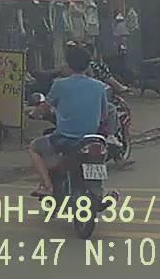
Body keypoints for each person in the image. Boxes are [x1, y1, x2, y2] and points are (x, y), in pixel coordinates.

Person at [27, 44, 110, 198]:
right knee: (98, 158)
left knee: (34, 148)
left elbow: (45, 107)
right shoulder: (99, 87)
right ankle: (100, 190)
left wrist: (34, 113)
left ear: (68, 65)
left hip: (65, 139)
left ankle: (47, 186)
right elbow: (105, 114)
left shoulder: (60, 84)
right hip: (91, 139)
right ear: (87, 65)